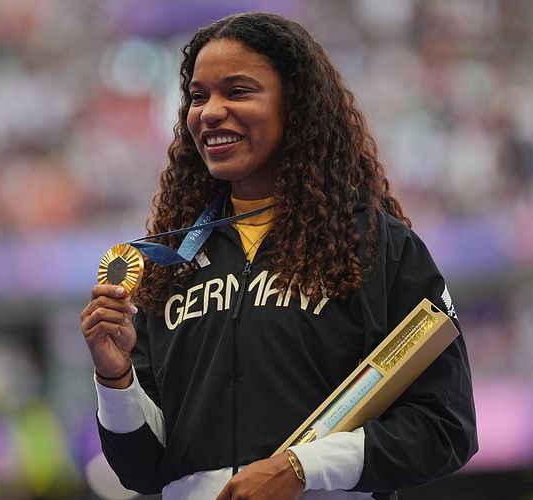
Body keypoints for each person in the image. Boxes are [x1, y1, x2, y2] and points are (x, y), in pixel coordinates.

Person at [79, 12, 477, 500]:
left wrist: (303, 468)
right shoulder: (171, 265)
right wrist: (115, 377)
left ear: (298, 104)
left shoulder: (373, 243)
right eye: (199, 96)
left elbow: (445, 426)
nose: (210, 111)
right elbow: (142, 470)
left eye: (238, 91)